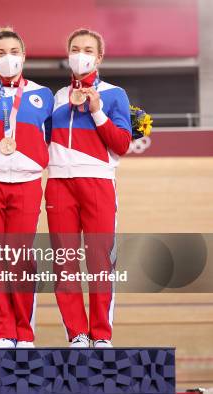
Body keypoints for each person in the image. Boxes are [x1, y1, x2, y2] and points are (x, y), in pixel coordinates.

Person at [46, 28, 131, 348]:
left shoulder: (114, 94)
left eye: (88, 49)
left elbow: (122, 143)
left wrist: (96, 110)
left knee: (99, 261)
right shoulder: (55, 97)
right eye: (75, 48)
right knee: (64, 261)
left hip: (97, 182)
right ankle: (77, 333)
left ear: (99, 57)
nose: (81, 54)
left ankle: (101, 334)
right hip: (58, 185)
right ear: (68, 55)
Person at [0, 27, 53, 348]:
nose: (8, 59)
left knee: (21, 259)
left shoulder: (43, 94)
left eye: (14, 52)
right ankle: (4, 332)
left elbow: (50, 138)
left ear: (24, 55)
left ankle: (24, 332)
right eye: (1, 53)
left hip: (28, 183)